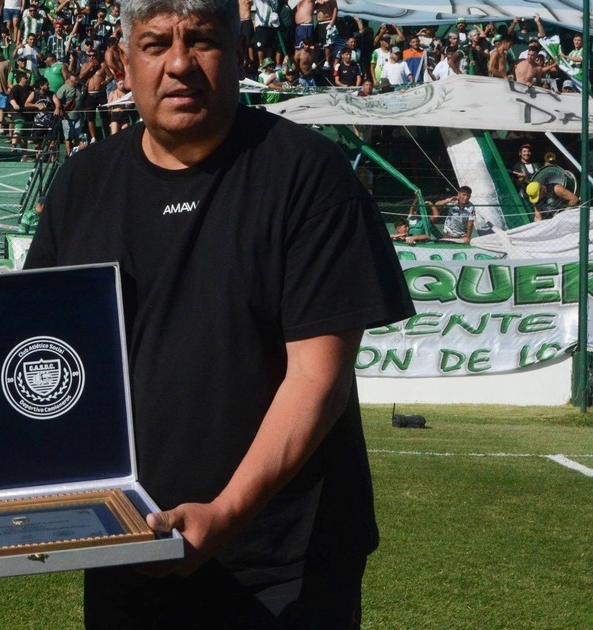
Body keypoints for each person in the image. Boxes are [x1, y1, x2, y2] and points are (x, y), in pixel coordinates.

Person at [24, 0, 413, 625]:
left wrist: (225, 514)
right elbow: (36, 352)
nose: (179, 63)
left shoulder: (309, 173)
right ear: (123, 63)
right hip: (129, 544)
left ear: (240, 53)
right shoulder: (81, 182)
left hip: (285, 564)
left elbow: (318, 377)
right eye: (155, 45)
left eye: (201, 40)